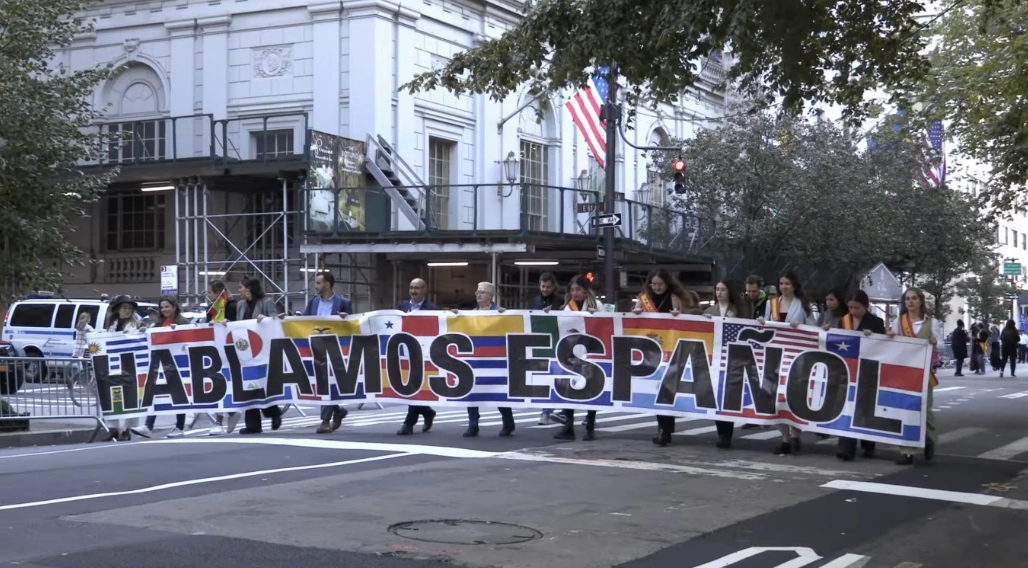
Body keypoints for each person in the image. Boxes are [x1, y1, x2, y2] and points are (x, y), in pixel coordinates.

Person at [757, 272, 815, 455]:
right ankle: (785, 437)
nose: (783, 287)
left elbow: (814, 330)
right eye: (781, 283)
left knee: (793, 397)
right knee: (776, 398)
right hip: (775, 356)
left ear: (794, 285)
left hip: (796, 357)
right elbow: (766, 328)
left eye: (787, 284)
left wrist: (802, 326)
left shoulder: (804, 305)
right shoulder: (771, 304)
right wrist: (761, 322)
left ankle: (795, 433)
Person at [631, 269, 688, 446]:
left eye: (660, 284)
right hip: (652, 353)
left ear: (667, 283)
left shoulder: (676, 298)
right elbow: (634, 320)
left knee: (668, 390)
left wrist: (681, 315)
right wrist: (636, 313)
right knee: (658, 391)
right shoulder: (643, 299)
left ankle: (666, 428)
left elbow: (692, 317)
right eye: (653, 284)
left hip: (673, 350)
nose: (656, 287)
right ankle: (663, 428)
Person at [888, 287, 942, 466]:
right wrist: (889, 336)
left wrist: (935, 342)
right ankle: (906, 451)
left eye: (914, 298)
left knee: (925, 411)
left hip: (924, 373)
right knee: (905, 411)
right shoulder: (898, 322)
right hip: (905, 374)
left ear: (920, 301)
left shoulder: (931, 323)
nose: (910, 302)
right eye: (907, 299)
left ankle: (929, 440)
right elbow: (891, 343)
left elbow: (940, 344)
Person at [545, 274, 599, 441]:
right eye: (572, 290)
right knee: (569, 390)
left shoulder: (597, 305)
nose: (575, 293)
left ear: (585, 290)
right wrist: (548, 314)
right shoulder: (566, 307)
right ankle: (568, 427)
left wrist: (595, 315)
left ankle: (590, 426)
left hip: (591, 353)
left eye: (578, 289)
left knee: (591, 390)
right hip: (571, 354)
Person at [833, 290, 886, 461]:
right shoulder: (843, 322)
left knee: (865, 410)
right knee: (848, 408)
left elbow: (884, 345)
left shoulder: (876, 322)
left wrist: (875, 337)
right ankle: (846, 447)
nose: (853, 311)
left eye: (857, 307)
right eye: (850, 307)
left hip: (868, 370)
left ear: (865, 306)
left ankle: (868, 445)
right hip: (848, 371)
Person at [458, 282, 515, 437]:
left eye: (482, 292)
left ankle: (508, 422)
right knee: (472, 391)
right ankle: (473, 424)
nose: (478, 295)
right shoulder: (472, 313)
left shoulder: (499, 312)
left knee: (497, 390)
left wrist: (506, 315)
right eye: (477, 292)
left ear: (490, 296)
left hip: (494, 357)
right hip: (475, 357)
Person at [133, 296, 191, 439]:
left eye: (167, 306)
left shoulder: (182, 321)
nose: (164, 309)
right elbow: (153, 337)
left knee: (178, 394)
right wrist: (145, 331)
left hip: (177, 364)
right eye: (162, 307)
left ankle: (179, 427)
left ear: (174, 307)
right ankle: (148, 425)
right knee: (154, 393)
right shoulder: (160, 323)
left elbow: (190, 338)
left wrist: (178, 331)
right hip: (160, 364)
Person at [302, 272, 352, 434]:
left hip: (336, 348)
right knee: (323, 382)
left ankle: (325, 420)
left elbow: (353, 325)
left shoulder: (343, 303)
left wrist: (347, 319)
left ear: (327, 284)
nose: (315, 286)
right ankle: (337, 410)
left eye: (318, 283)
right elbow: (302, 322)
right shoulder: (313, 302)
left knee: (328, 381)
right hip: (316, 347)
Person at [238, 276, 283, 435]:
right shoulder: (241, 305)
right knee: (249, 386)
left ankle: (273, 412)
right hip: (246, 350)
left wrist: (267, 319)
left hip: (263, 349)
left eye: (241, 287)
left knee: (261, 384)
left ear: (249, 289)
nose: (239, 290)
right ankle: (253, 424)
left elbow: (275, 321)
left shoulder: (266, 302)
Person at [396, 278, 440, 435]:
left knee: (415, 386)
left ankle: (408, 424)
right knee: (409, 388)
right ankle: (427, 411)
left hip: (424, 355)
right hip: (404, 354)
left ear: (425, 290)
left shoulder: (433, 309)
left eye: (417, 288)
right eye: (411, 287)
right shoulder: (401, 307)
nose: (413, 291)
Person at [704, 279, 744, 449]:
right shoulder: (708, 311)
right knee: (717, 397)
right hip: (714, 360)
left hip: (734, 359)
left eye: (723, 289)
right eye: (717, 289)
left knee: (729, 397)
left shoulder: (740, 310)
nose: (719, 292)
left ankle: (727, 433)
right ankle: (721, 433)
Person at [104, 295, 146, 441]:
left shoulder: (137, 324)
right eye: (124, 308)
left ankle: (128, 429)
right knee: (114, 396)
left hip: (130, 365)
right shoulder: (111, 325)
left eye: (129, 308)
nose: (127, 311)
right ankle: (114, 428)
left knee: (130, 396)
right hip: (114, 364)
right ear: (117, 309)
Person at [529, 272, 566, 425]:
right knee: (547, 381)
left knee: (560, 380)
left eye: (548, 286)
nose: (545, 289)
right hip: (543, 345)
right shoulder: (534, 302)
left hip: (559, 344)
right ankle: (547, 411)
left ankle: (553, 412)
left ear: (554, 286)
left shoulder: (561, 301)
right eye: (543, 286)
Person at [205, 279, 241, 436]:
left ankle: (226, 416)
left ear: (219, 292)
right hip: (216, 351)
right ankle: (228, 414)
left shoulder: (232, 306)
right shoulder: (211, 309)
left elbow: (241, 325)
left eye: (210, 292)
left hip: (230, 350)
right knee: (218, 383)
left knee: (226, 383)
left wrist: (230, 323)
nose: (208, 295)